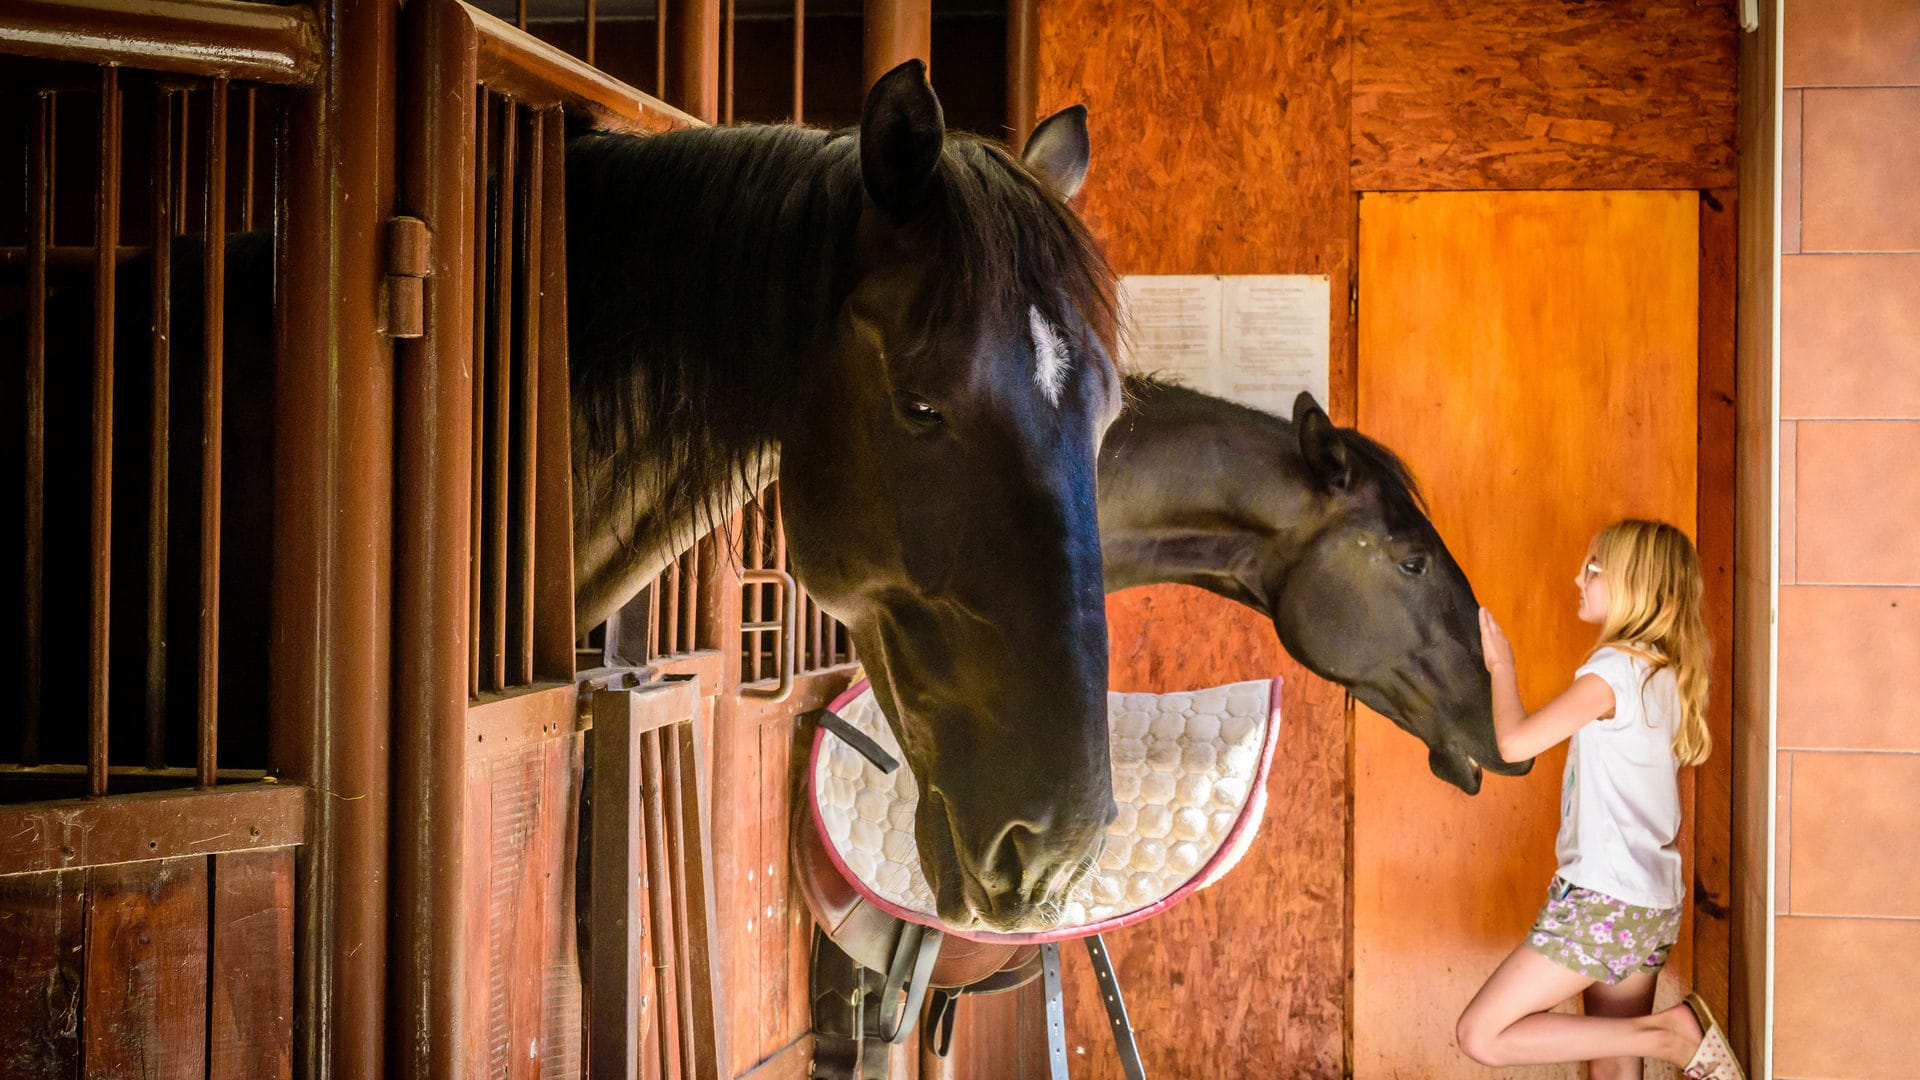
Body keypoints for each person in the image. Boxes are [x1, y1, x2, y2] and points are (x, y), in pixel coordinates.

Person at [1454, 519, 1744, 1080]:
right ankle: (1658, 1036)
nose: (1578, 578)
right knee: (1614, 1067)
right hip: (1650, 902)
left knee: (1481, 1033)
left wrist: (1501, 667)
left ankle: (1669, 1034)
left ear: (1634, 585)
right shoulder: (1666, 672)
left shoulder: (1613, 671)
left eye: (1593, 569)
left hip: (1605, 899)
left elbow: (1515, 744)